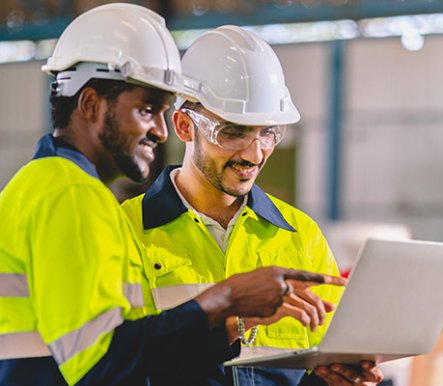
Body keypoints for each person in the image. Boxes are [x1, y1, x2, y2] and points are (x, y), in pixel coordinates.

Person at [0, 6, 343, 386]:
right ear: (90, 104)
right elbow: (106, 366)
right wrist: (226, 302)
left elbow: (123, 358)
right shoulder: (75, 196)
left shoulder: (36, 187)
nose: (160, 131)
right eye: (146, 110)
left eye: (267, 134)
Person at [121, 26, 384, 386]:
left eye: (267, 133)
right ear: (184, 126)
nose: (254, 153)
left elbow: (315, 367)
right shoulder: (124, 230)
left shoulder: (300, 236)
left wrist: (338, 380)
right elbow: (116, 364)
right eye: (232, 132)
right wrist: (233, 323)